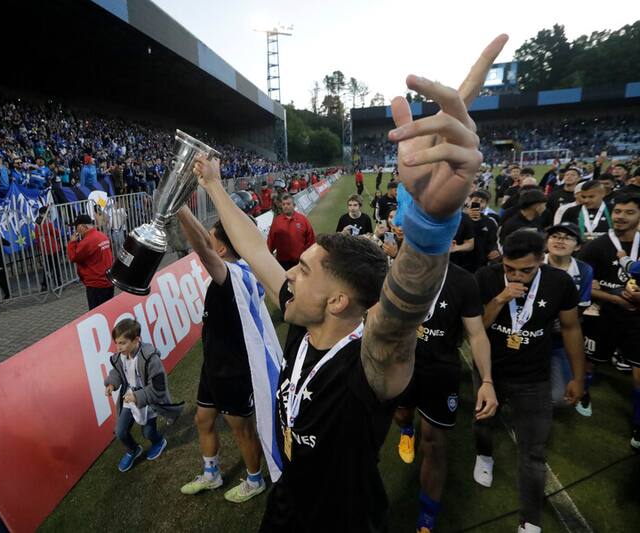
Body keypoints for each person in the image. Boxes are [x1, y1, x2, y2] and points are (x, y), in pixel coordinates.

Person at [191, 34, 506, 531]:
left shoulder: (371, 363)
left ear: (339, 300)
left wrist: (428, 227)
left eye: (304, 270)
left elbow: (401, 314)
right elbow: (254, 249)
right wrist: (211, 184)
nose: (290, 273)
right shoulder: (305, 314)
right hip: (286, 507)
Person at [473, 230, 584, 533]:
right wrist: (500, 299)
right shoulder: (485, 277)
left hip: (534, 376)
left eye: (526, 270)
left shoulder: (559, 282)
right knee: (483, 422)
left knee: (533, 451)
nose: (516, 276)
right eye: (509, 268)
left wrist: (577, 376)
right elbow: (475, 329)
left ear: (541, 261)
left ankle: (529, 522)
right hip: (490, 371)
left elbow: (571, 328)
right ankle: (484, 455)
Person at [176, 207, 272, 503]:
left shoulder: (231, 275)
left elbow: (203, 248)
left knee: (242, 430)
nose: (207, 239)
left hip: (233, 369)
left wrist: (177, 206)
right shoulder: (239, 268)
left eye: (212, 237)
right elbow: (207, 243)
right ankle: (211, 474)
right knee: (203, 419)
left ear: (220, 248)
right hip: (213, 364)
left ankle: (255, 480)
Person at [393, 262, 497, 533]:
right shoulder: (401, 269)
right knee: (401, 413)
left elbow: (477, 334)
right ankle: (406, 429)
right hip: (402, 361)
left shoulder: (464, 281)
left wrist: (487, 380)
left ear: (451, 243)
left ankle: (427, 515)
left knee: (435, 444)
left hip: (440, 369)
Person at [577, 194, 640, 448]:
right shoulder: (596, 246)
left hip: (637, 320)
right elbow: (582, 286)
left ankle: (638, 423)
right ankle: (583, 393)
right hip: (602, 316)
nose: (621, 217)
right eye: (617, 211)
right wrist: (614, 298)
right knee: (590, 362)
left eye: (629, 212)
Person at [104, 318, 184, 472]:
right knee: (120, 432)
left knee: (148, 432)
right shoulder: (121, 356)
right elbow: (118, 372)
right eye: (116, 343)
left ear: (136, 340)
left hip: (148, 401)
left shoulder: (150, 358)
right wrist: (111, 384)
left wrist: (137, 396)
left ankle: (158, 441)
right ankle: (133, 449)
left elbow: (158, 388)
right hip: (129, 398)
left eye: (122, 343)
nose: (118, 348)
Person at [543, 223, 593, 410]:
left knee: (560, 398)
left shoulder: (584, 270)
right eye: (555, 236)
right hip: (530, 336)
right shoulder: (534, 263)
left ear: (578, 246)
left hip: (560, 340)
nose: (560, 241)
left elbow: (579, 310)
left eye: (567, 238)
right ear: (547, 242)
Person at [66, 214, 114, 310]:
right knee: (108, 311)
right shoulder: (102, 236)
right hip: (108, 281)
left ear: (82, 227)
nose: (76, 231)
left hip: (96, 284)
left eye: (76, 227)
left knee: (97, 313)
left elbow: (73, 257)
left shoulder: (87, 241)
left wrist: (72, 242)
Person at [266, 193, 315, 271]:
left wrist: (309, 256)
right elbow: (271, 241)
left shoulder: (303, 219)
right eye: (283, 204)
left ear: (294, 205)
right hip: (283, 263)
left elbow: (311, 240)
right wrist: (268, 257)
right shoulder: (277, 222)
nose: (285, 206)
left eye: (288, 204)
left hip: (300, 261)